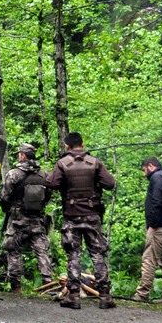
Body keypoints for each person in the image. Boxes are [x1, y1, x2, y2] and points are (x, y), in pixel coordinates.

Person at [46, 132, 117, 309]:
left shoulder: (63, 164)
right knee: (98, 254)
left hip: (72, 216)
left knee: (73, 255)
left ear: (67, 146)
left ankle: (74, 296)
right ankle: (105, 296)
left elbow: (52, 183)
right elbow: (110, 183)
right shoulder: (95, 162)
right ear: (83, 144)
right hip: (92, 215)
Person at [0, 143, 54, 295]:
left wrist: (9, 209)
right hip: (37, 220)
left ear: (22, 156)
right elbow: (48, 195)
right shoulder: (44, 175)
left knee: (13, 250)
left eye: (19, 154)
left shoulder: (14, 174)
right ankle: (48, 284)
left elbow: (4, 197)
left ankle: (16, 287)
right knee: (42, 251)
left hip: (17, 220)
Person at [132, 156, 162, 305]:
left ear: (150, 166)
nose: (144, 174)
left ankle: (142, 294)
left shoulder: (157, 177)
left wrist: (152, 224)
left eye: (144, 170)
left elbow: (156, 201)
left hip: (161, 227)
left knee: (149, 259)